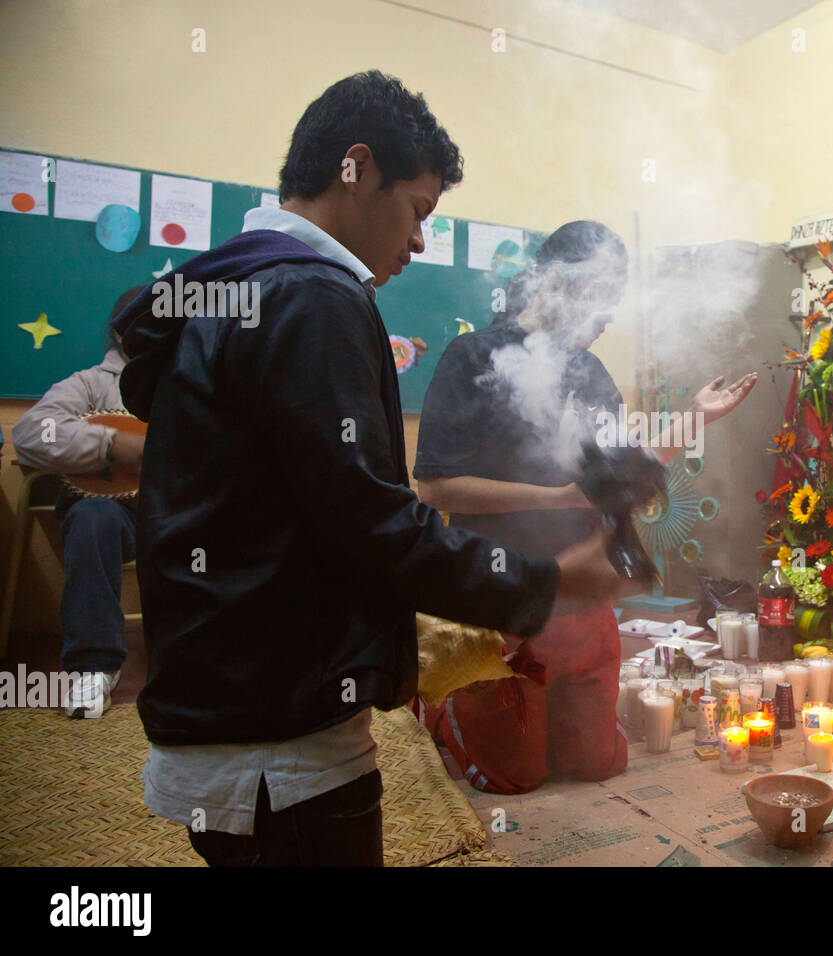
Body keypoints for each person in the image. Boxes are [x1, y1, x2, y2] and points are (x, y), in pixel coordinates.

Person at [109, 72, 619, 867]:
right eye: (417, 211)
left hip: (227, 697)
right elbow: (374, 524)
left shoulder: (236, 285)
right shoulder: (314, 299)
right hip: (279, 732)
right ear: (356, 168)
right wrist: (544, 583)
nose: (419, 243)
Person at [414, 220, 756, 794]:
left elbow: (621, 475)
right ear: (557, 284)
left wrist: (692, 419)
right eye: (601, 298)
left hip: (577, 595)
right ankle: (442, 712)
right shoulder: (471, 357)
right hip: (502, 594)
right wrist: (553, 498)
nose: (607, 318)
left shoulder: (590, 372)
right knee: (513, 776)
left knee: (595, 762)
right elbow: (436, 488)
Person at [12, 287, 148, 718]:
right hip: (112, 513)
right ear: (120, 333)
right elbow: (33, 434)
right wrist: (110, 445)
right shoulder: (89, 384)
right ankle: (94, 667)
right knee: (93, 516)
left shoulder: (193, 387)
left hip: (175, 513)